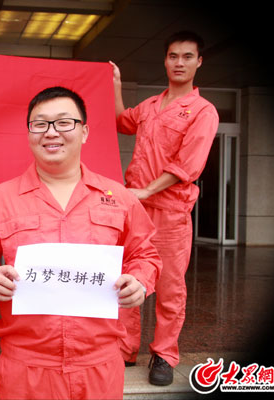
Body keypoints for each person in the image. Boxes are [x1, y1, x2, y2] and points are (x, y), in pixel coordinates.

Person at [0, 86, 162, 399]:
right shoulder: (1, 199)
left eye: (64, 122)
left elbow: (145, 254)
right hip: (27, 367)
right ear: (29, 133)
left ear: (84, 132)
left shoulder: (119, 198)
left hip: (99, 365)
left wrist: (140, 281)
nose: (51, 132)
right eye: (40, 124)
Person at [110, 30, 219, 386]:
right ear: (165, 60)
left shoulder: (203, 111)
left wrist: (146, 191)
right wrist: (115, 85)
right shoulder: (150, 105)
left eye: (187, 56)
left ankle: (164, 354)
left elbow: (188, 166)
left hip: (170, 213)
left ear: (198, 62)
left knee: (170, 289)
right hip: (135, 211)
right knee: (127, 280)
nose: (179, 63)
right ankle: (124, 349)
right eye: (173, 56)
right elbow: (121, 121)